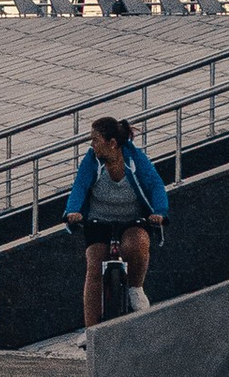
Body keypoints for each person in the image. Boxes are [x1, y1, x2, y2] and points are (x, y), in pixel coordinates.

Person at [63, 113, 169, 325]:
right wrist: (72, 211)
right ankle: (90, 330)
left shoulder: (136, 159)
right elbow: (80, 186)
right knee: (94, 264)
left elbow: (155, 185)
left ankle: (135, 288)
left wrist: (160, 212)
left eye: (95, 139)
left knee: (136, 246)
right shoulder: (91, 161)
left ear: (112, 143)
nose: (92, 145)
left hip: (132, 219)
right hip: (98, 220)